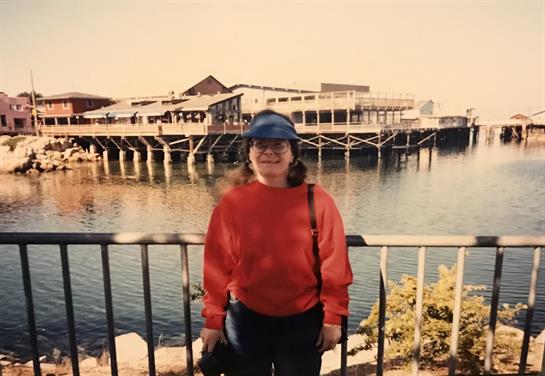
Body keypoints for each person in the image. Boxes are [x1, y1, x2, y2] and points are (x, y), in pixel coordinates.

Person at [200, 109, 353, 376]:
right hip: (245, 320)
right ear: (249, 152)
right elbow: (216, 266)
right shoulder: (233, 203)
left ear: (293, 153)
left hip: (303, 321)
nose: (269, 152)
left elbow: (334, 263)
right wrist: (213, 320)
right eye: (260, 144)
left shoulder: (318, 200)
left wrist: (333, 317)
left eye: (279, 145)